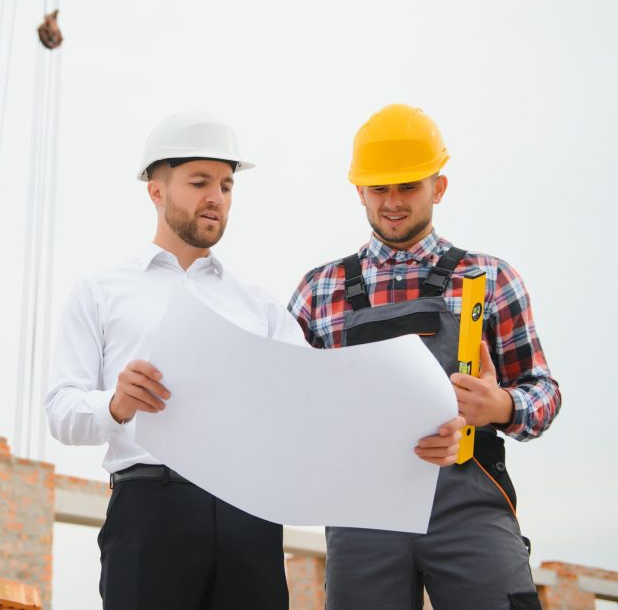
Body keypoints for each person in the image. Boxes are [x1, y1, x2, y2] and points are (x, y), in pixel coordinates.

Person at [45, 111, 464, 610]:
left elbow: (321, 404)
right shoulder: (101, 292)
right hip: (149, 511)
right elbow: (61, 411)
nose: (215, 198)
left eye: (225, 185)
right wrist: (115, 405)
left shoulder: (260, 306)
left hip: (251, 515)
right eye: (199, 182)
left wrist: (418, 433)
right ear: (155, 191)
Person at [288, 103, 562, 610]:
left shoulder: (490, 280)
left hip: (468, 508)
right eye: (379, 188)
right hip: (362, 513)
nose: (393, 202)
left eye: (408, 186)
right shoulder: (317, 293)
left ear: (439, 186)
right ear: (359, 192)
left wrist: (498, 406)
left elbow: (543, 392)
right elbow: (292, 409)